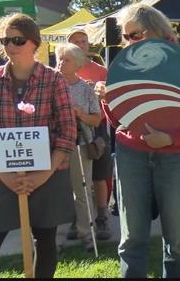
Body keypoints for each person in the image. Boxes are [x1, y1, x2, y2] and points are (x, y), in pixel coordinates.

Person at [96, 4, 180, 277]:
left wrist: (171, 138)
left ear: (156, 31)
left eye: (134, 36)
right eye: (125, 37)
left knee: (177, 242)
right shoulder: (126, 62)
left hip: (177, 158)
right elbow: (118, 121)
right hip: (131, 154)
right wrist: (107, 100)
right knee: (132, 239)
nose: (128, 43)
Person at [0, 13, 77, 277]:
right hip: (0, 176)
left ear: (35, 43)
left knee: (45, 241)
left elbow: (67, 132)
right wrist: (7, 177)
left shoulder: (54, 80)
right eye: (5, 40)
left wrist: (42, 175)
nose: (10, 47)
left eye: (17, 40)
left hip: (48, 174)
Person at [66, 28, 114, 241]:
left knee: (99, 174)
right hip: (71, 130)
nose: (80, 45)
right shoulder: (60, 70)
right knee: (74, 178)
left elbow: (112, 99)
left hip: (98, 127)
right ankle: (78, 218)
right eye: (75, 42)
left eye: (83, 41)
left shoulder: (101, 70)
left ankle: (102, 217)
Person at [55, 43, 102, 252]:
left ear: (77, 64)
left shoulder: (85, 88)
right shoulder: (50, 84)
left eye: (66, 60)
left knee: (82, 192)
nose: (60, 63)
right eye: (59, 58)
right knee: (56, 192)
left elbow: (97, 120)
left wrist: (80, 114)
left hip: (80, 145)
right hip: (53, 145)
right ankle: (54, 239)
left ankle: (87, 234)